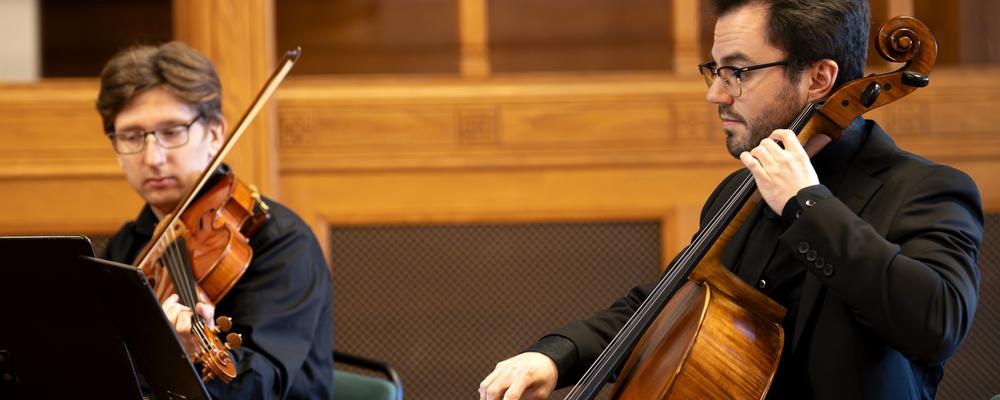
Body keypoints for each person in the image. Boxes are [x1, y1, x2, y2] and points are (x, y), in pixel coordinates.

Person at [479, 0, 983, 399]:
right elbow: (663, 304)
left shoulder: (925, 190)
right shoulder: (739, 192)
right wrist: (554, 356)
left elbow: (936, 323)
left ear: (820, 79)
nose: (716, 94)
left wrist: (806, 204)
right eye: (715, 70)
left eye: (738, 72)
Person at [96, 41, 333, 399]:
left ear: (215, 133)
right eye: (132, 136)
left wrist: (184, 362)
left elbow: (258, 385)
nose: (153, 157)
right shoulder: (130, 245)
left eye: (172, 131)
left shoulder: (280, 243)